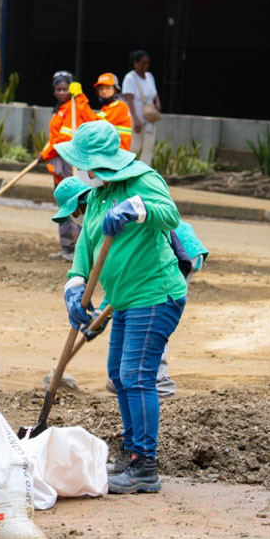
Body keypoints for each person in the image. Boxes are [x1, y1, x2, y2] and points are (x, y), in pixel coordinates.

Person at [59, 120, 187, 495]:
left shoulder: (142, 180)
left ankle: (144, 466)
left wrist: (136, 208)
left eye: (81, 162)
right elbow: (83, 256)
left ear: (98, 163)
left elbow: (170, 214)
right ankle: (131, 454)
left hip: (156, 293)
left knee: (136, 374)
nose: (78, 169)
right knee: (119, 373)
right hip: (125, 299)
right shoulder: (97, 197)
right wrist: (74, 291)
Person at [49, 176, 202, 399]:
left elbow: (129, 276)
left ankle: (158, 380)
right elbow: (120, 279)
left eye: (73, 213)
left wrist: (102, 313)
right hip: (149, 264)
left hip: (180, 253)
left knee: (153, 315)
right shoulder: (97, 218)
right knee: (136, 310)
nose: (75, 219)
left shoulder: (111, 213)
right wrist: (101, 315)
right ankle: (132, 375)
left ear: (81, 203)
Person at [41, 71, 97, 261]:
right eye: (58, 89)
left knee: (75, 202)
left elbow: (88, 119)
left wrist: (79, 96)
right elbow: (54, 138)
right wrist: (45, 153)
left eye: (65, 89)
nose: (61, 92)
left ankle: (80, 249)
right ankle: (67, 247)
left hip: (70, 160)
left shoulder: (75, 106)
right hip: (59, 160)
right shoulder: (59, 110)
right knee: (63, 201)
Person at [123, 51, 162, 162]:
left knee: (148, 147)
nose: (146, 66)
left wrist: (158, 103)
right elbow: (129, 100)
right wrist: (136, 119)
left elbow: (154, 93)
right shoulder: (130, 78)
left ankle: (145, 169)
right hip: (136, 118)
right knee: (134, 147)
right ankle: (128, 169)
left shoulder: (150, 76)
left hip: (149, 117)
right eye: (143, 63)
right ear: (136, 64)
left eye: (147, 63)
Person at [93, 73, 133, 150]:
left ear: (115, 89)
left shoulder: (120, 106)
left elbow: (97, 123)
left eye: (108, 88)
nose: (104, 91)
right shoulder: (107, 107)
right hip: (112, 150)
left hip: (118, 152)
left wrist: (80, 100)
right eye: (101, 88)